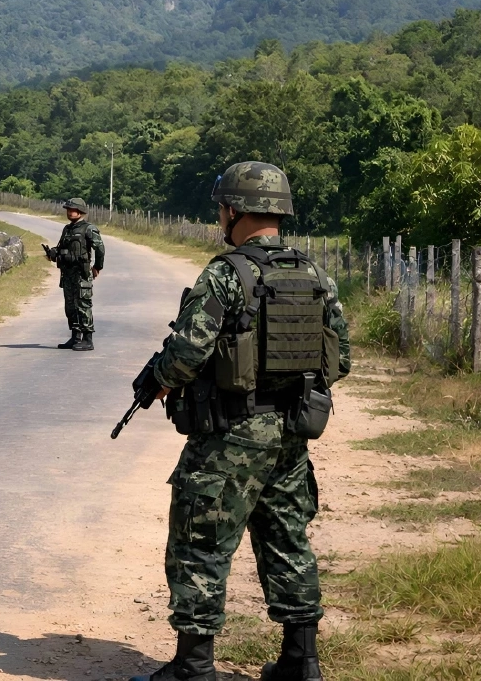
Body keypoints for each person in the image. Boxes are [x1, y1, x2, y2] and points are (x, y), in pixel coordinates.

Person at [130, 162, 349, 681]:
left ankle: (194, 668)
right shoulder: (316, 275)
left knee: (199, 543)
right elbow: (338, 361)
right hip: (292, 434)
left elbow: (186, 354)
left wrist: (158, 377)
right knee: (288, 541)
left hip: (229, 436)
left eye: (221, 209)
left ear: (234, 210)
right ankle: (302, 664)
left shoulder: (227, 273)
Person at [44, 198, 105, 351]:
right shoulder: (67, 229)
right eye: (68, 210)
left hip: (81, 273)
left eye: (73, 210)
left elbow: (100, 248)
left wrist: (97, 266)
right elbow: (61, 248)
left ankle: (88, 339)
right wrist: (53, 253)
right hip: (68, 273)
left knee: (83, 304)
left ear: (80, 211)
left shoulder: (89, 228)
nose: (70, 212)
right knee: (70, 306)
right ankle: (75, 336)